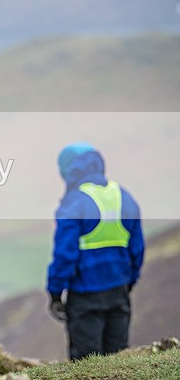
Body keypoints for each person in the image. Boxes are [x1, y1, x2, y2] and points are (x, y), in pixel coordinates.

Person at [46, 142, 144, 360]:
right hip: (119, 291)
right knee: (118, 361)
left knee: (87, 366)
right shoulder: (124, 198)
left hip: (85, 296)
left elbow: (64, 255)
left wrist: (55, 292)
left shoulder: (75, 203)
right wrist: (130, 281)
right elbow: (137, 249)